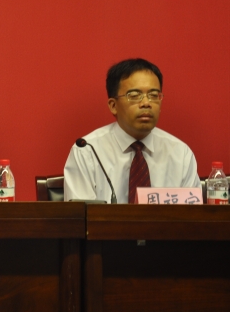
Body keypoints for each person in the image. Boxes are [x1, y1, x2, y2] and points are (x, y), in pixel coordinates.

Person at [64, 58, 200, 203]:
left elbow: (193, 213)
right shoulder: (88, 152)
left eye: (154, 96)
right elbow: (80, 215)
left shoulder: (180, 154)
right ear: (113, 106)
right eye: (134, 96)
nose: (146, 103)